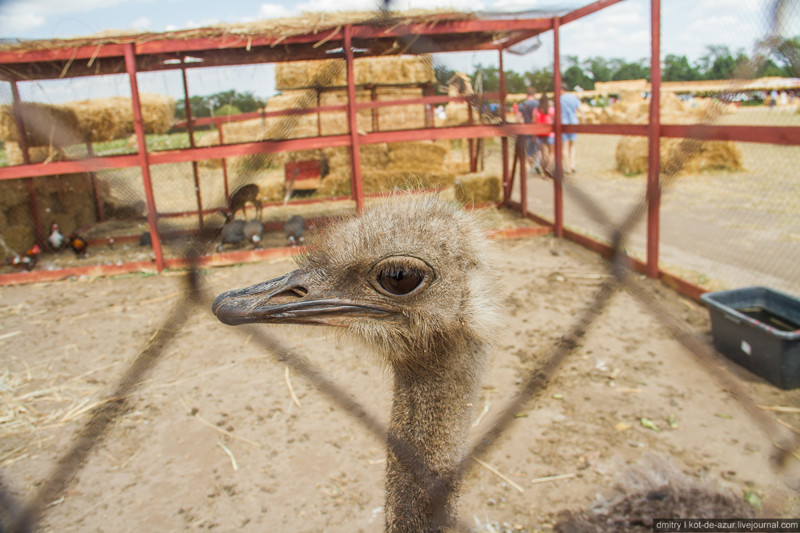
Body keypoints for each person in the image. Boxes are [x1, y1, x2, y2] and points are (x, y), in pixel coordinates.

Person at [516, 86, 539, 173]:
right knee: (539, 148)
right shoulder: (539, 104)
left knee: (529, 150)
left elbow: (518, 119)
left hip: (527, 129)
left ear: (527, 94)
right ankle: (537, 163)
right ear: (534, 94)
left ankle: (532, 167)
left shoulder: (522, 105)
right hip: (537, 129)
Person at [560, 84, 583, 174]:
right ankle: (573, 165)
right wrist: (583, 120)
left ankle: (567, 167)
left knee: (564, 147)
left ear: (561, 89)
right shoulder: (574, 97)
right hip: (574, 123)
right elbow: (580, 110)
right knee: (572, 145)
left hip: (564, 124)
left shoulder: (560, 99)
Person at [534, 93, 555, 176]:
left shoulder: (536, 110)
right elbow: (554, 120)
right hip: (550, 133)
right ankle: (548, 168)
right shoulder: (551, 109)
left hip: (539, 133)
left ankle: (544, 171)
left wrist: (533, 134)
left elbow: (534, 122)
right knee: (552, 153)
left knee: (543, 153)